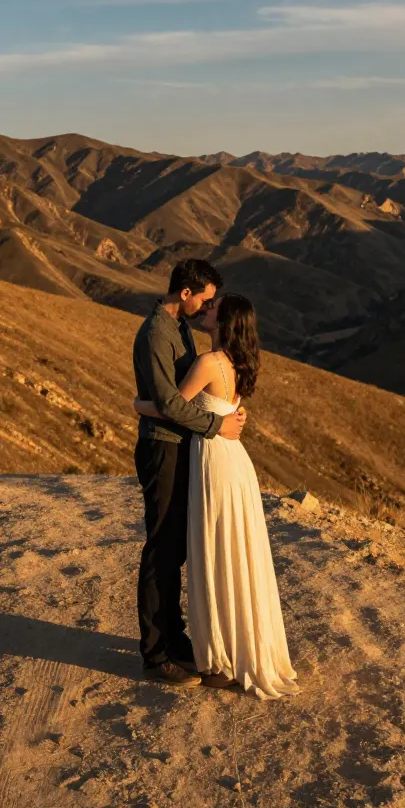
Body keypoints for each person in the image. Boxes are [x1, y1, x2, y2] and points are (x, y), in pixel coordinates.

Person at [137, 294, 298, 699]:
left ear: (223, 322)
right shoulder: (239, 365)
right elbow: (225, 412)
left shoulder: (209, 363)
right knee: (234, 552)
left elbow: (173, 407)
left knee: (215, 553)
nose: (206, 310)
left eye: (213, 308)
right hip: (234, 460)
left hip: (212, 459)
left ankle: (221, 659)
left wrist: (139, 403)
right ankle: (238, 647)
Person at [132, 258, 247, 686]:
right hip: (162, 447)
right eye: (206, 298)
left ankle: (175, 640)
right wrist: (220, 425)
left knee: (178, 548)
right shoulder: (156, 334)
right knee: (161, 546)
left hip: (183, 447)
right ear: (186, 293)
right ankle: (156, 653)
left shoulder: (179, 328)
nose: (209, 306)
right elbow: (169, 404)